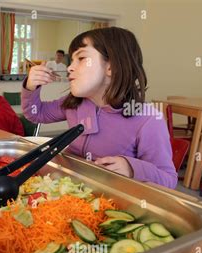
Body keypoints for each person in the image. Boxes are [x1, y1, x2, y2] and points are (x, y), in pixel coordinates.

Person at [22, 27, 177, 189]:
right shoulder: (74, 103)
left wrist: (132, 168)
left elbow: (168, 179)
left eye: (81, 58)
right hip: (70, 190)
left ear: (111, 67)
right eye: (71, 60)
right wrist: (31, 86)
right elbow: (36, 114)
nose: (69, 67)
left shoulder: (148, 120)